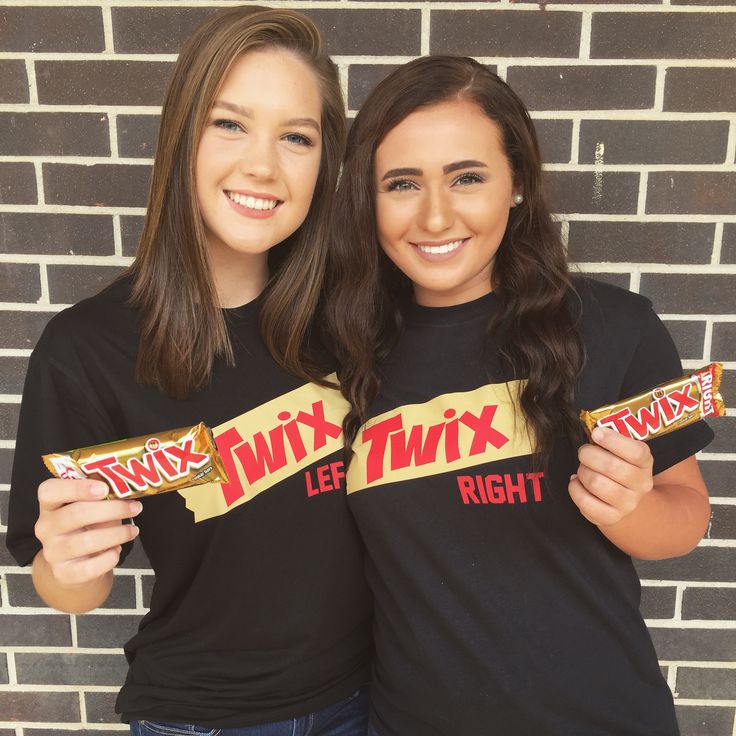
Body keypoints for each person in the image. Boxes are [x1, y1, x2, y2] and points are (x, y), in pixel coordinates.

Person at [6, 7, 372, 735]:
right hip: (202, 718)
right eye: (229, 123)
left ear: (323, 163)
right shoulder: (86, 350)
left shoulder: (354, 321)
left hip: (368, 699)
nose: (262, 165)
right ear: (182, 135)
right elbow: (65, 587)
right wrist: (72, 563)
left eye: (296, 137)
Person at [324, 55, 712, 736]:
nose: (436, 216)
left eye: (467, 178)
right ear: (368, 198)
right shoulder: (345, 351)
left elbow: (686, 518)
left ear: (518, 185)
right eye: (402, 184)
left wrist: (629, 507)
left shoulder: (620, 327)